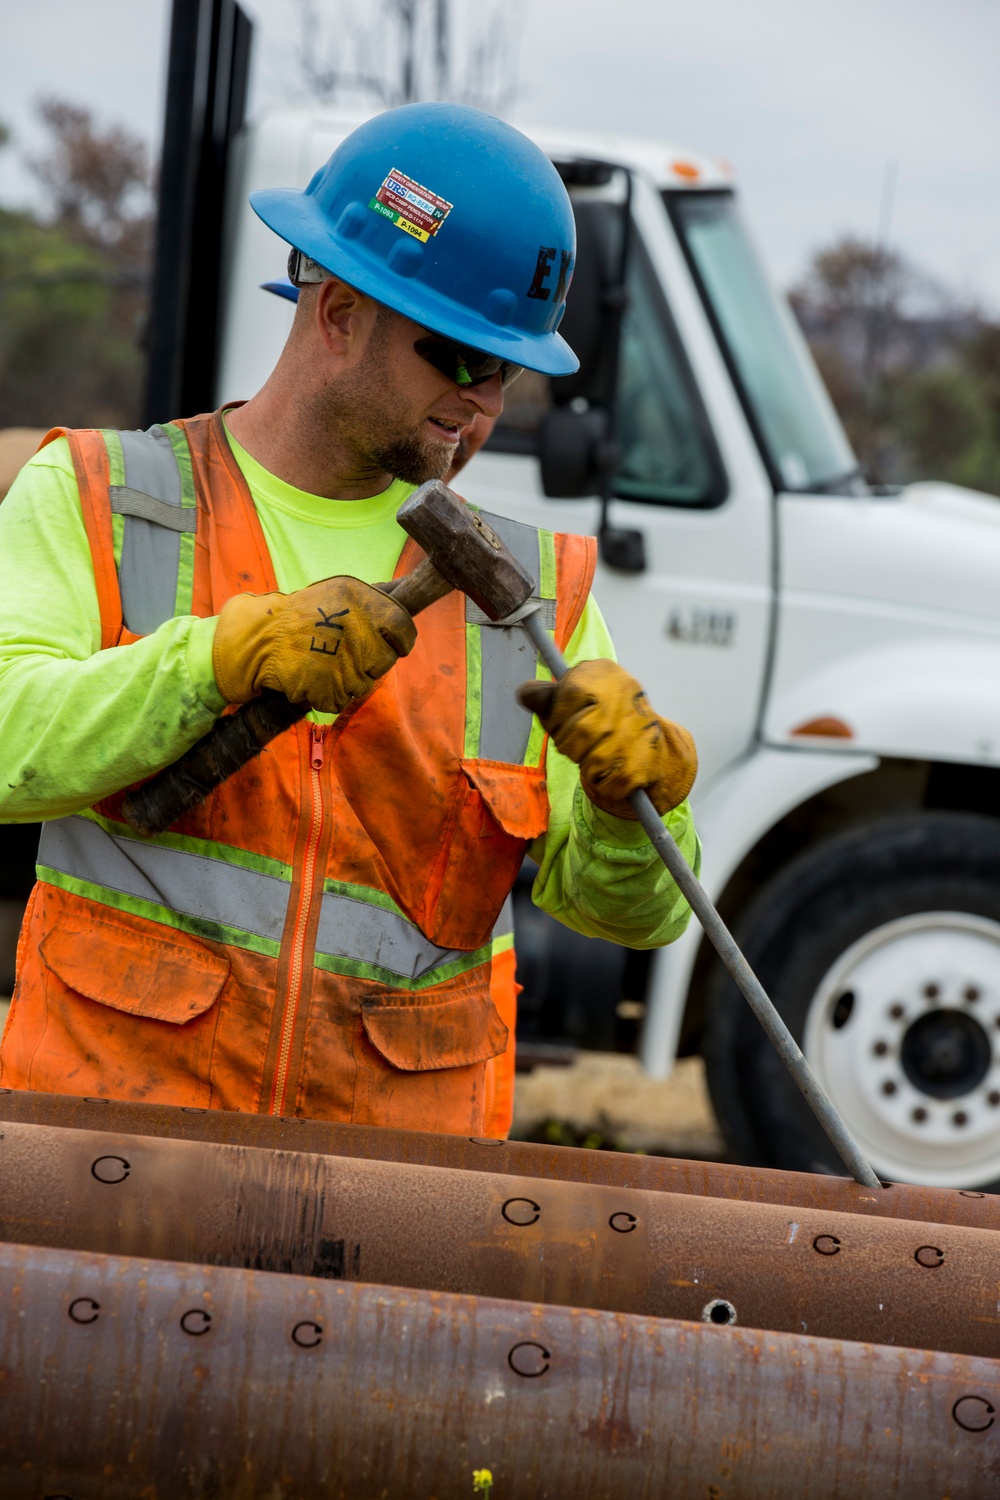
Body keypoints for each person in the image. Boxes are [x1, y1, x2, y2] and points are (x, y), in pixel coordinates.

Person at [0, 103, 699, 1137]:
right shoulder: (103, 495)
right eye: (455, 357)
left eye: (505, 370)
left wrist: (631, 810)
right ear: (336, 314)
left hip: (397, 1207)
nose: (482, 402)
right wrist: (216, 659)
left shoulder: (528, 589)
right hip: (111, 1169)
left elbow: (633, 915)